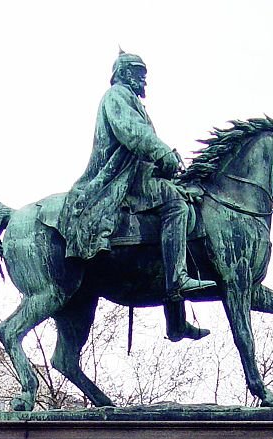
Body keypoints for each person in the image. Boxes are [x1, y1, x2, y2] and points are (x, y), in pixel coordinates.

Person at [59, 52, 213, 312]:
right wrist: (162, 154)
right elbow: (133, 132)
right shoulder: (117, 95)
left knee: (179, 196)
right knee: (175, 203)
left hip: (136, 175)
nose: (144, 81)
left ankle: (176, 319)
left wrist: (167, 159)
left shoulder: (130, 99)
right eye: (140, 74)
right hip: (122, 177)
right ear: (124, 72)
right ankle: (177, 279)